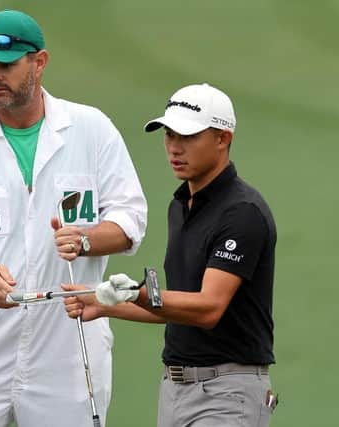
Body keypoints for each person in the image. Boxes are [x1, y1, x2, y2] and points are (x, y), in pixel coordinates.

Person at [0, 9, 147, 427]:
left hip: (67, 340)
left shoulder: (91, 130)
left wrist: (86, 240)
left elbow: (130, 218)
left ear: (39, 62)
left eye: (5, 66)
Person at [63, 83, 278, 427]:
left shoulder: (242, 212)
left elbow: (208, 308)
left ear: (223, 138)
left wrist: (137, 294)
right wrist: (105, 305)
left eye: (188, 136)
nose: (174, 147)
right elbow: (177, 307)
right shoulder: (181, 206)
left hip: (227, 393)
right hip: (175, 391)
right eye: (169, 135)